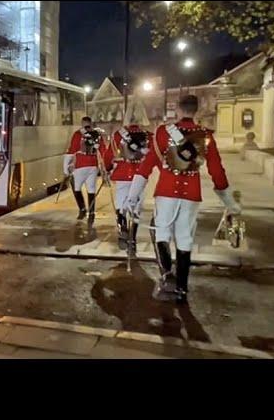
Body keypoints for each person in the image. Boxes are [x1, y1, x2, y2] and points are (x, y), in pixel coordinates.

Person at [125, 94, 242, 304]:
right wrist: (230, 203)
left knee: (161, 232)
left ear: (178, 110)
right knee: (184, 238)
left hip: (167, 191)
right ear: (195, 110)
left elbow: (147, 165)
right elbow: (217, 170)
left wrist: (132, 197)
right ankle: (182, 288)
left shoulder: (162, 133)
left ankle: (167, 276)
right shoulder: (205, 135)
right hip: (191, 193)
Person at [103, 122, 152, 255]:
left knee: (120, 205)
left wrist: (107, 168)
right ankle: (133, 239)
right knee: (136, 208)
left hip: (122, 174)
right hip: (140, 176)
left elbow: (108, 156)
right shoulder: (148, 136)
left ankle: (122, 227)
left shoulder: (118, 135)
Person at [63, 116, 106, 225]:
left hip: (80, 165)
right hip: (93, 165)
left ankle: (82, 209)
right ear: (91, 124)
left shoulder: (78, 134)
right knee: (91, 189)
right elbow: (103, 150)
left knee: (76, 188)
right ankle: (91, 213)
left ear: (82, 123)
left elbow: (72, 150)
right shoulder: (97, 135)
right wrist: (103, 167)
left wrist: (66, 167)